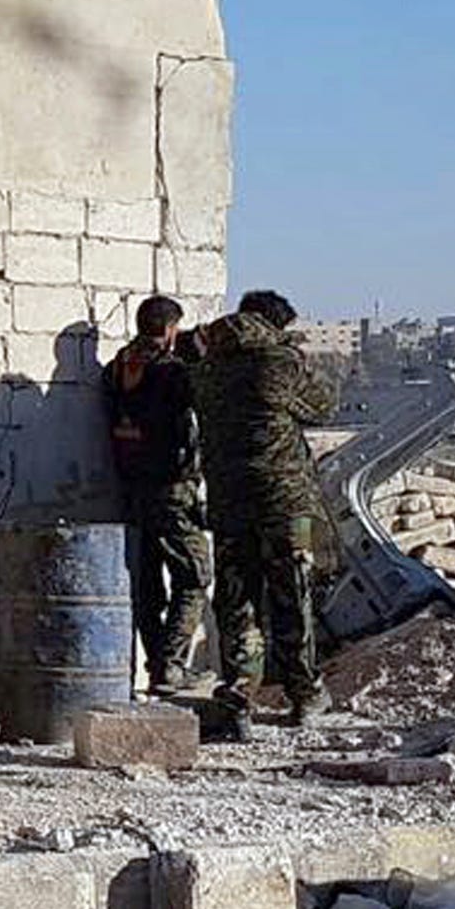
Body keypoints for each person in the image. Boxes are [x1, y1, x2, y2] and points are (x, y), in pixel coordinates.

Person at [188, 289, 338, 735]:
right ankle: (306, 694)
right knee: (297, 594)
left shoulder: (205, 369)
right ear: (277, 325)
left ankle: (238, 695)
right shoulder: (281, 363)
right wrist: (294, 353)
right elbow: (325, 406)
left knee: (237, 602)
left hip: (230, 502)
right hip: (293, 505)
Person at [103, 295, 212, 696]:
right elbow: (202, 399)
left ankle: (157, 666)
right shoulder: (172, 373)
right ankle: (170, 665)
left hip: (132, 490)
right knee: (195, 576)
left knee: (148, 585)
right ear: (169, 329)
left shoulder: (116, 370)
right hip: (172, 488)